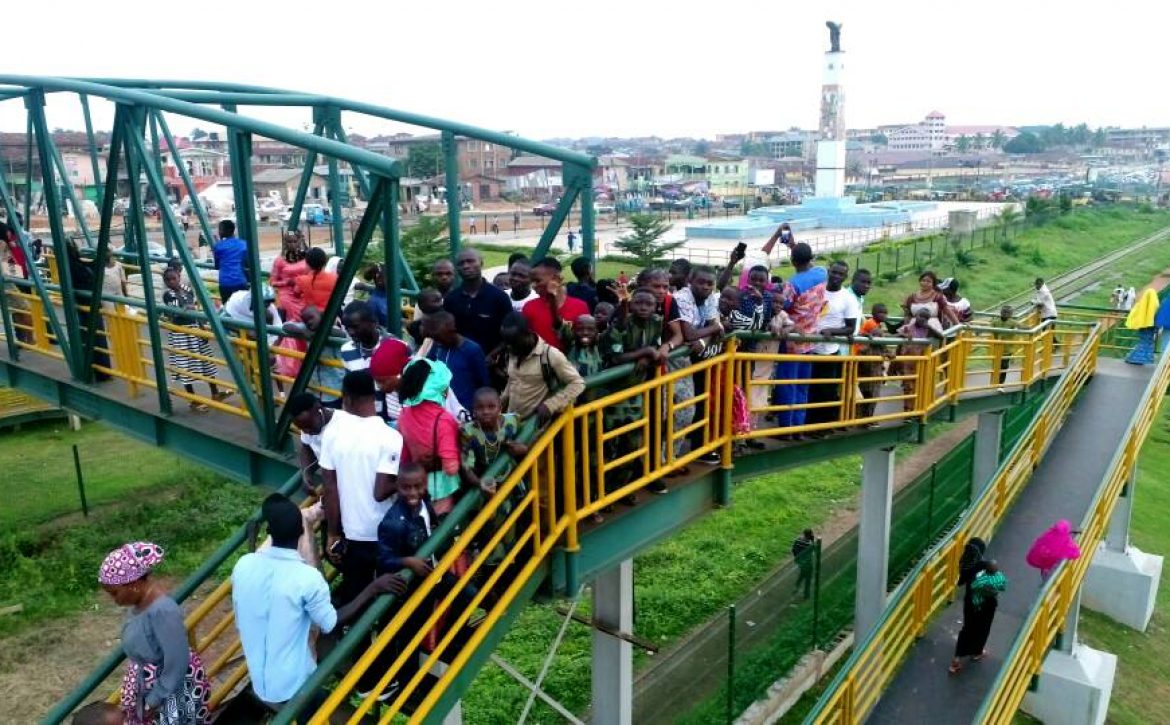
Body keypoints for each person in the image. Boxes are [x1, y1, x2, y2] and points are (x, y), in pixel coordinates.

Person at [232, 494, 406, 714]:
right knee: (312, 708)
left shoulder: (244, 565)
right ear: (301, 532)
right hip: (297, 684)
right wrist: (373, 588)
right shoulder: (306, 578)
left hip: (260, 677)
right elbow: (331, 623)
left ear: (269, 533)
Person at [98, 542, 210, 725]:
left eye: (114, 593)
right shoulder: (139, 605)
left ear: (133, 584)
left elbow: (177, 662)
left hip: (170, 692)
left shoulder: (163, 612)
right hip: (154, 688)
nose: (113, 600)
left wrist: (153, 700)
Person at [320, 370, 403, 606]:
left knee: (357, 600)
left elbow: (330, 488)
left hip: (352, 534)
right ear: (373, 395)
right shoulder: (391, 436)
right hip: (387, 533)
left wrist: (333, 534)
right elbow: (384, 488)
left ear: (346, 398)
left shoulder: (332, 434)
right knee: (390, 600)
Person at [396, 358, 465, 514]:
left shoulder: (403, 415)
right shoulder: (444, 419)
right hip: (441, 490)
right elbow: (451, 468)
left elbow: (404, 457)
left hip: (416, 487)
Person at [672, 265, 724, 460]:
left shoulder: (710, 297)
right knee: (679, 408)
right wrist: (714, 329)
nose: (705, 287)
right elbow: (689, 333)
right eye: (700, 282)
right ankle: (670, 456)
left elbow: (711, 327)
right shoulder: (682, 298)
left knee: (700, 401)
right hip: (676, 359)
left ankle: (698, 449)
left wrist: (703, 340)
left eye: (709, 283)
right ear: (690, 281)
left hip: (699, 356)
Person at [775, 242, 827, 433]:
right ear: (811, 258)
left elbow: (783, 305)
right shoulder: (822, 273)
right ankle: (798, 426)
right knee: (802, 385)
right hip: (810, 338)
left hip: (792, 339)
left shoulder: (792, 284)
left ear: (792, 260)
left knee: (787, 383)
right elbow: (808, 263)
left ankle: (786, 428)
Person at [500, 312, 585, 422]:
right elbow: (513, 380)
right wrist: (499, 403)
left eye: (514, 342)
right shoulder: (513, 352)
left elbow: (578, 383)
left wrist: (551, 405)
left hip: (535, 426)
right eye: (507, 343)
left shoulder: (550, 355)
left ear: (528, 334)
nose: (509, 347)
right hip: (512, 421)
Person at [161, 268, 226, 411]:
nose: (172, 282)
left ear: (179, 276)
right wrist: (187, 308)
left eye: (174, 278)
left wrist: (202, 328)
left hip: (195, 328)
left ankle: (215, 393)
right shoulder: (168, 295)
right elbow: (176, 313)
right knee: (186, 366)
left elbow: (193, 310)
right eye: (168, 280)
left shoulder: (187, 289)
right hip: (181, 333)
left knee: (206, 361)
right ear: (165, 282)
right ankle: (193, 400)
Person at [807, 260, 860, 429]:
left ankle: (823, 427)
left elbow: (851, 328)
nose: (836, 276)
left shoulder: (848, 298)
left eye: (840, 274)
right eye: (834, 272)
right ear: (829, 272)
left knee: (826, 391)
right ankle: (806, 426)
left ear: (845, 277)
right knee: (809, 389)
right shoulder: (818, 290)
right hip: (808, 348)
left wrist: (832, 331)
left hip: (829, 351)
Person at [444, 248, 513, 355]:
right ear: (457, 269)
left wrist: (492, 357)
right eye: (461, 263)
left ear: (481, 263)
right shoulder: (451, 299)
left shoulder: (499, 297)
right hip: (461, 360)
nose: (466, 266)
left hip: (493, 362)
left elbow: (510, 333)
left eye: (470, 261)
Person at [423, 311, 489, 410]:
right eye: (435, 339)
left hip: (465, 409)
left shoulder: (472, 350)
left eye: (440, 339)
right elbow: (427, 368)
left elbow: (484, 384)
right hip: (441, 407)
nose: (438, 343)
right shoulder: (437, 345)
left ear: (452, 331)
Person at [949, 561, 1006, 674]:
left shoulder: (977, 579)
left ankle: (957, 658)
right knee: (983, 629)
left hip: (972, 606)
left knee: (967, 630)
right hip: (988, 607)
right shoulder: (999, 578)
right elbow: (1002, 587)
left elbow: (973, 586)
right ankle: (977, 651)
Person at [522, 257, 590, 351]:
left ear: (555, 278)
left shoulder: (580, 307)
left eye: (537, 281)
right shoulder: (529, 307)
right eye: (532, 281)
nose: (533, 285)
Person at [896, 308, 945, 411]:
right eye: (920, 316)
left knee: (920, 385)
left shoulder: (928, 330)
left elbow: (941, 337)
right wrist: (904, 336)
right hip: (908, 362)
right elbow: (897, 336)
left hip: (921, 363)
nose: (922, 319)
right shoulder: (908, 327)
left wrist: (930, 327)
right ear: (916, 316)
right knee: (908, 386)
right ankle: (908, 409)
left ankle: (918, 407)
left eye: (925, 318)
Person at [854, 303, 891, 420]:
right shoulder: (872, 324)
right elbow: (880, 340)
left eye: (885, 313)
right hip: (865, 358)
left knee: (867, 389)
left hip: (864, 357)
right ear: (873, 314)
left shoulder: (875, 324)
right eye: (881, 313)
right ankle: (867, 418)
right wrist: (889, 352)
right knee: (871, 390)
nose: (884, 315)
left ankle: (863, 416)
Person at [340, 300, 393, 372]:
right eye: (347, 327)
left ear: (373, 323)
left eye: (355, 327)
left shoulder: (395, 347)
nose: (350, 332)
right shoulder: (346, 350)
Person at [270, 232, 309, 321]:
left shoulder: (306, 258)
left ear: (299, 241)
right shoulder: (280, 260)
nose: (292, 244)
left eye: (295, 241)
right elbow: (272, 282)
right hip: (286, 294)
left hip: (303, 292)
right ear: (285, 243)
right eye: (289, 242)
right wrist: (287, 282)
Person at [212, 219, 249, 303]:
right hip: (240, 281)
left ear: (224, 231)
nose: (219, 232)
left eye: (220, 229)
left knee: (228, 310)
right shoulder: (243, 244)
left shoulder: (218, 246)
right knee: (243, 309)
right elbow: (247, 262)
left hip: (225, 283)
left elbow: (217, 266)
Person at [1123, 287, 1163, 365]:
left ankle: (1135, 358)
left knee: (1143, 343)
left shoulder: (1141, 305)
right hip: (1151, 327)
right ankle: (1138, 359)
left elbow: (1134, 314)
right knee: (1147, 343)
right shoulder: (1156, 305)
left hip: (1142, 327)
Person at [294, 247, 339, 312]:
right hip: (331, 314)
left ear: (307, 263)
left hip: (311, 316)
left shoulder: (302, 280)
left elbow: (296, 294)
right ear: (325, 261)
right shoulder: (334, 278)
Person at [993, 305, 1020, 384]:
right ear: (1001, 312)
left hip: (1007, 349)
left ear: (1011, 314)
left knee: (1004, 366)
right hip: (997, 348)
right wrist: (979, 331)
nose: (1005, 314)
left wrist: (1017, 329)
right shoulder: (995, 321)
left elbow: (1021, 327)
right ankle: (996, 382)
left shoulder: (1013, 322)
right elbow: (987, 327)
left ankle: (1000, 383)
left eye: (1007, 312)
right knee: (997, 365)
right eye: (1004, 312)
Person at [791, 529, 816, 600]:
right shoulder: (809, 544)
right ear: (810, 535)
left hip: (799, 561)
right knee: (808, 578)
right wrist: (813, 541)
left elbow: (793, 549)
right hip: (808, 563)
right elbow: (815, 550)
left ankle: (796, 586)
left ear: (804, 534)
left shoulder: (798, 540)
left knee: (803, 573)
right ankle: (806, 594)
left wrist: (797, 557)